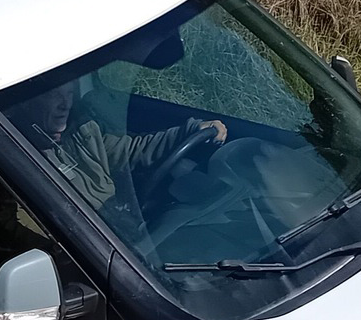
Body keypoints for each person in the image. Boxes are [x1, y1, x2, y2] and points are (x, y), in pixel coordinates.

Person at [13, 81, 227, 219]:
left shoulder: (82, 130)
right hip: (90, 243)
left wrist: (190, 130)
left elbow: (131, 150)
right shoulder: (17, 157)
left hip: (120, 225)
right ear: (26, 102)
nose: (65, 104)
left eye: (69, 94)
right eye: (53, 95)